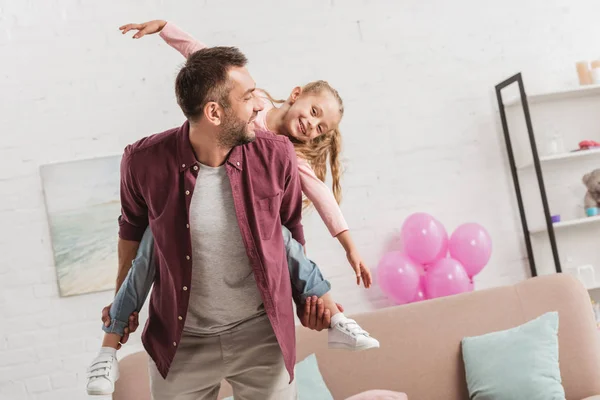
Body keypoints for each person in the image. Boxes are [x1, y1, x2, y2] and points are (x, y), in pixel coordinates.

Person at [89, 46, 305, 399]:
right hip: (180, 342)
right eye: (248, 96)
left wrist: (307, 295)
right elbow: (132, 235)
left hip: (263, 338)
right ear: (214, 112)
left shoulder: (277, 153)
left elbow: (291, 230)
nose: (259, 106)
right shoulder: (142, 162)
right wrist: (122, 302)